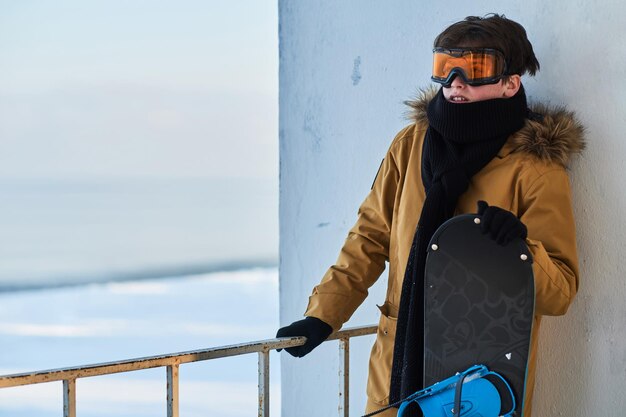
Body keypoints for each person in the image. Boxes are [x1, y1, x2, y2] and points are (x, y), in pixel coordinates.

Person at [276, 14, 584, 417]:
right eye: (445, 67)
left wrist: (519, 251)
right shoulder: (410, 145)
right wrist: (322, 316)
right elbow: (369, 238)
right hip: (397, 366)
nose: (456, 81)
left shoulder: (535, 168)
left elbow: (560, 291)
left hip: (480, 382)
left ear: (511, 81)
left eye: (476, 69)